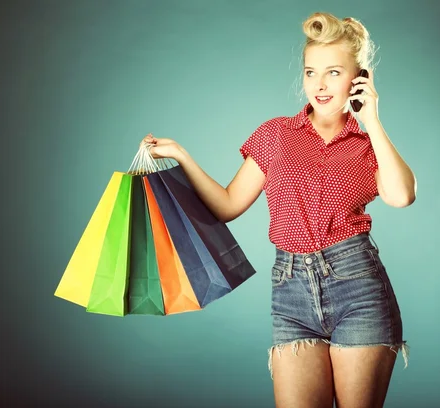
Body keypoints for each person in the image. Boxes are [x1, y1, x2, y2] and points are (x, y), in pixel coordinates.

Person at [140, 11, 416, 408]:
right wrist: (181, 155)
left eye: (334, 72)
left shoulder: (369, 142)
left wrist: (371, 119)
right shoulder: (276, 135)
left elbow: (402, 195)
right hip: (291, 293)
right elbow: (228, 205)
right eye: (310, 72)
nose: (319, 84)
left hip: (358, 288)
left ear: (360, 77)